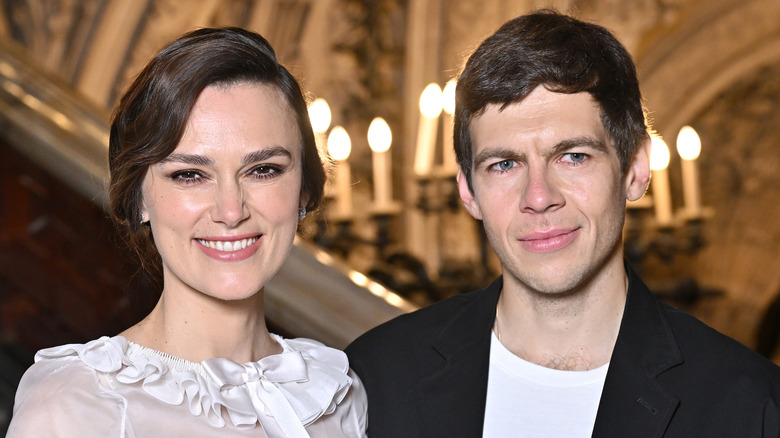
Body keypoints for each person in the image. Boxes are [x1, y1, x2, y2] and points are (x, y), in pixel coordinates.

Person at [346, 10, 780, 437]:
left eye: (573, 157)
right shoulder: (375, 381)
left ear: (635, 168)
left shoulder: (750, 407)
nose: (539, 197)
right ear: (467, 190)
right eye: (504, 164)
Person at [9, 27, 366, 437]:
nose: (231, 211)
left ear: (304, 188)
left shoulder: (338, 392)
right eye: (190, 175)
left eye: (263, 170)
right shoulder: (78, 404)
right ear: (139, 198)